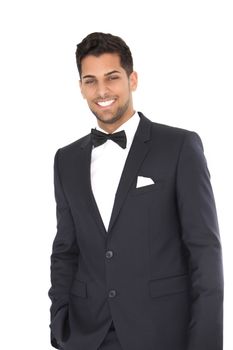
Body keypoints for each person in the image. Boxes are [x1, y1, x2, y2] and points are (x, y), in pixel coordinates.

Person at [48, 32, 224, 350]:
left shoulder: (179, 147)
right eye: (91, 80)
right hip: (87, 335)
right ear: (80, 87)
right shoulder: (66, 159)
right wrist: (59, 323)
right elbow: (65, 250)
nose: (102, 91)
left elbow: (204, 251)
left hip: (161, 333)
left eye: (112, 77)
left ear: (133, 79)